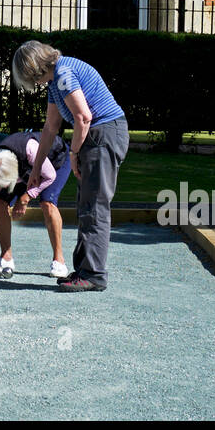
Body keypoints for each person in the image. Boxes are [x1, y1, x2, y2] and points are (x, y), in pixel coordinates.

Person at [11, 41, 128, 292]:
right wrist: (35, 169)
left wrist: (74, 153)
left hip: (103, 134)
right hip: (97, 136)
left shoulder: (63, 74)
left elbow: (83, 117)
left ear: (32, 68)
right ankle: (84, 271)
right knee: (86, 204)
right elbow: (50, 128)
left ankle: (94, 274)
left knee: (94, 206)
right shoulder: (56, 81)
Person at [0, 131, 71, 279]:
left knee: (47, 203)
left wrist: (26, 197)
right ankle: (6, 257)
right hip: (23, 168)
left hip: (55, 163)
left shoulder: (31, 150)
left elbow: (50, 176)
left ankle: (59, 260)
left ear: (13, 178)